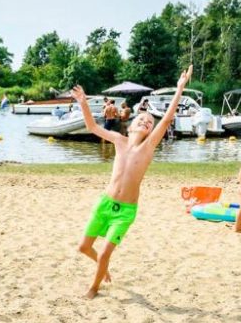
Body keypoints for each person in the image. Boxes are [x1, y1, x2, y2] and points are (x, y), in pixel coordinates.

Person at [71, 65, 192, 299]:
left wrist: (179, 88)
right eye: (142, 119)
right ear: (132, 123)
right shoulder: (118, 140)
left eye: (149, 121)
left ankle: (93, 288)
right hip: (105, 203)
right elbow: (92, 127)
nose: (146, 121)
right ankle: (102, 267)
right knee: (84, 247)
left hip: (125, 211)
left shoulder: (148, 147)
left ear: (151, 130)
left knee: (105, 252)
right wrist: (84, 103)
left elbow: (166, 120)